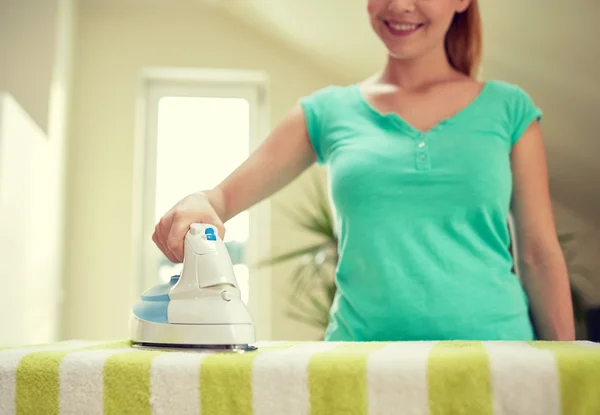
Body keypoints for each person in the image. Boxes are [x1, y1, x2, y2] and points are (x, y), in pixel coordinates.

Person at [152, 0, 576, 341]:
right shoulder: (326, 112)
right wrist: (199, 202)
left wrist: (571, 375)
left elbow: (539, 255)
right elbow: (222, 198)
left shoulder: (510, 108)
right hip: (358, 368)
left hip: (497, 359)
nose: (400, 5)